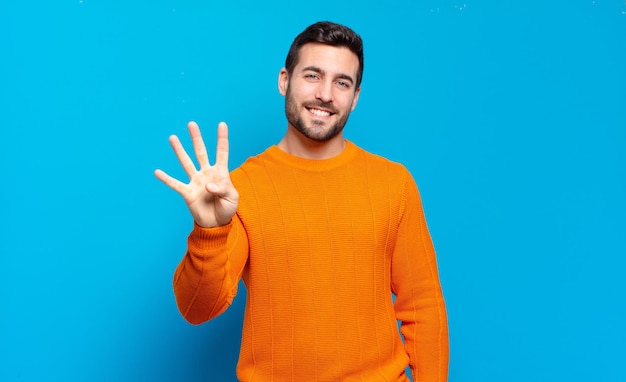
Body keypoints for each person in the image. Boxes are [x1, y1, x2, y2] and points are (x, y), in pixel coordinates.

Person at [155, 21, 449, 382]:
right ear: (284, 81)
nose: (325, 94)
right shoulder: (242, 188)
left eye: (342, 82)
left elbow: (424, 307)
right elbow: (198, 308)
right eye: (312, 75)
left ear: (355, 97)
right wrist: (209, 231)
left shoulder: (393, 183)